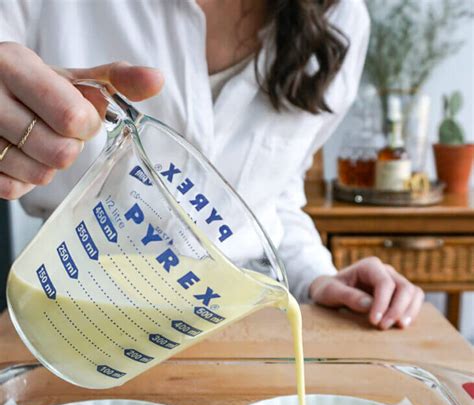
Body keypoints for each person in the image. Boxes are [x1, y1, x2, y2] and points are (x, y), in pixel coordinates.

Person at [0, 0, 424, 330]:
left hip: (240, 335)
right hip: (74, 317)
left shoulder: (341, 21)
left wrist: (317, 277)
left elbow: (273, 201)